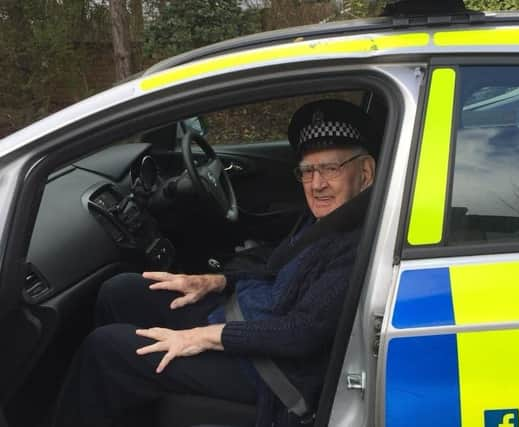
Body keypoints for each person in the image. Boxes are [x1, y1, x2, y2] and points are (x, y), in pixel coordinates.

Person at [53, 99, 377, 427]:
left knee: (106, 351)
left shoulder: (359, 240)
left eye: (331, 169)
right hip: (248, 318)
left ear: (365, 173)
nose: (317, 183)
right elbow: (274, 266)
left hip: (273, 370)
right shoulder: (327, 218)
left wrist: (202, 336)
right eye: (308, 170)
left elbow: (301, 334)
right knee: (121, 291)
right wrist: (213, 281)